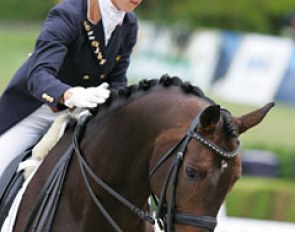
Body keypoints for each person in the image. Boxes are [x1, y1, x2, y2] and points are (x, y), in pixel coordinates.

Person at [0, 0, 142, 178]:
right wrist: (69, 94)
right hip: (37, 109)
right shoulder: (68, 14)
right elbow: (38, 74)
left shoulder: (129, 23)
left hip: (80, 113)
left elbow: (117, 80)